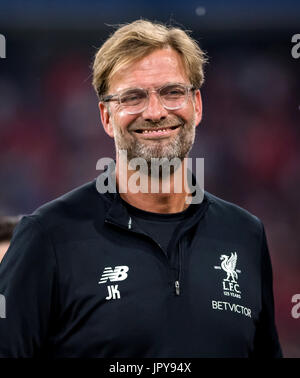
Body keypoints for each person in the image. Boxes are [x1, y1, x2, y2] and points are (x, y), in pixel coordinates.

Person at [0, 20, 282, 358]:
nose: (155, 111)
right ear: (106, 117)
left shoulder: (245, 235)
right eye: (133, 96)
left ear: (197, 105)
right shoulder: (46, 237)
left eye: (172, 92)